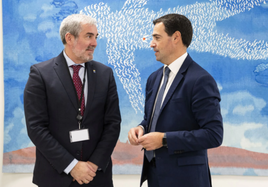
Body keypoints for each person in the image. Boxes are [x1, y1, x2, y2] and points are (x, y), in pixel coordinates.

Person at [24, 14, 121, 187]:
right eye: (88, 36)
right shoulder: (40, 74)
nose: (95, 43)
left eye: (95, 37)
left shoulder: (105, 74)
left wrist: (93, 165)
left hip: (96, 176)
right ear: (69, 37)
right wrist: (72, 166)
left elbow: (113, 123)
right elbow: (36, 127)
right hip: (55, 177)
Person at [128, 13, 223, 187]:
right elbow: (154, 118)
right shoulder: (153, 78)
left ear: (176, 37)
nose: (151, 44)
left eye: (157, 37)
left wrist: (164, 139)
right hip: (154, 176)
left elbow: (214, 134)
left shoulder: (200, 80)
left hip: (187, 179)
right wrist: (141, 128)